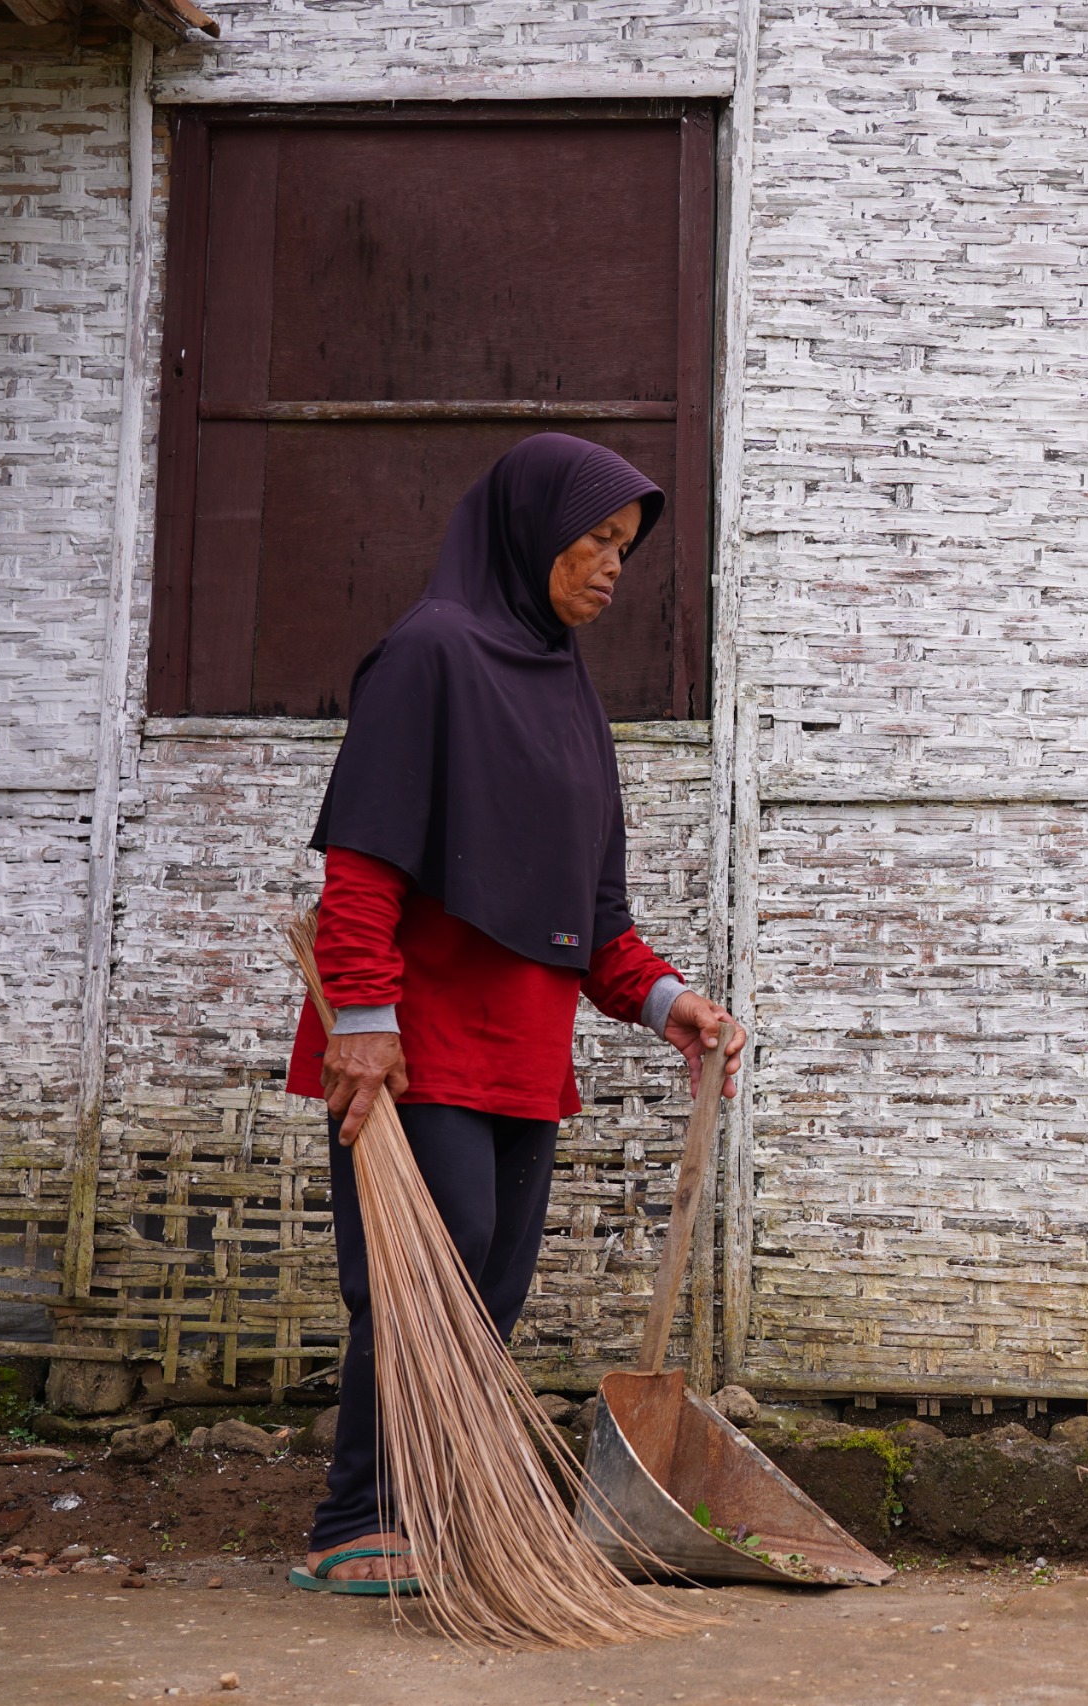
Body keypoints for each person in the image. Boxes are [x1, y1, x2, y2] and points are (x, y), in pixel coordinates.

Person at [282, 434, 748, 1595]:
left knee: (485, 1293)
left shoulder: (569, 692)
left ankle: (440, 1513)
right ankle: (355, 1519)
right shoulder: (429, 653)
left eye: (625, 546)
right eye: (595, 538)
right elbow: (362, 862)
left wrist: (669, 1002)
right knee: (415, 1286)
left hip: (522, 1049)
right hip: (416, 1036)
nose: (613, 565)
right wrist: (362, 1018)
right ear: (529, 531)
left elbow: (593, 920)